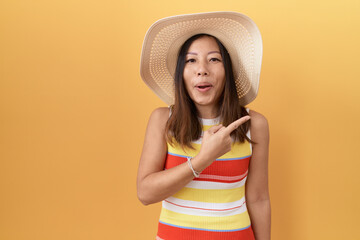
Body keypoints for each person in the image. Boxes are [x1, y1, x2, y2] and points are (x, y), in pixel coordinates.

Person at [137, 12, 270, 240]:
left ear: (228, 71)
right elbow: (145, 193)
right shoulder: (163, 121)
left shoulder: (254, 124)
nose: (202, 69)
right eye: (191, 60)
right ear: (182, 73)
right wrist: (203, 159)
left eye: (214, 59)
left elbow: (258, 198)